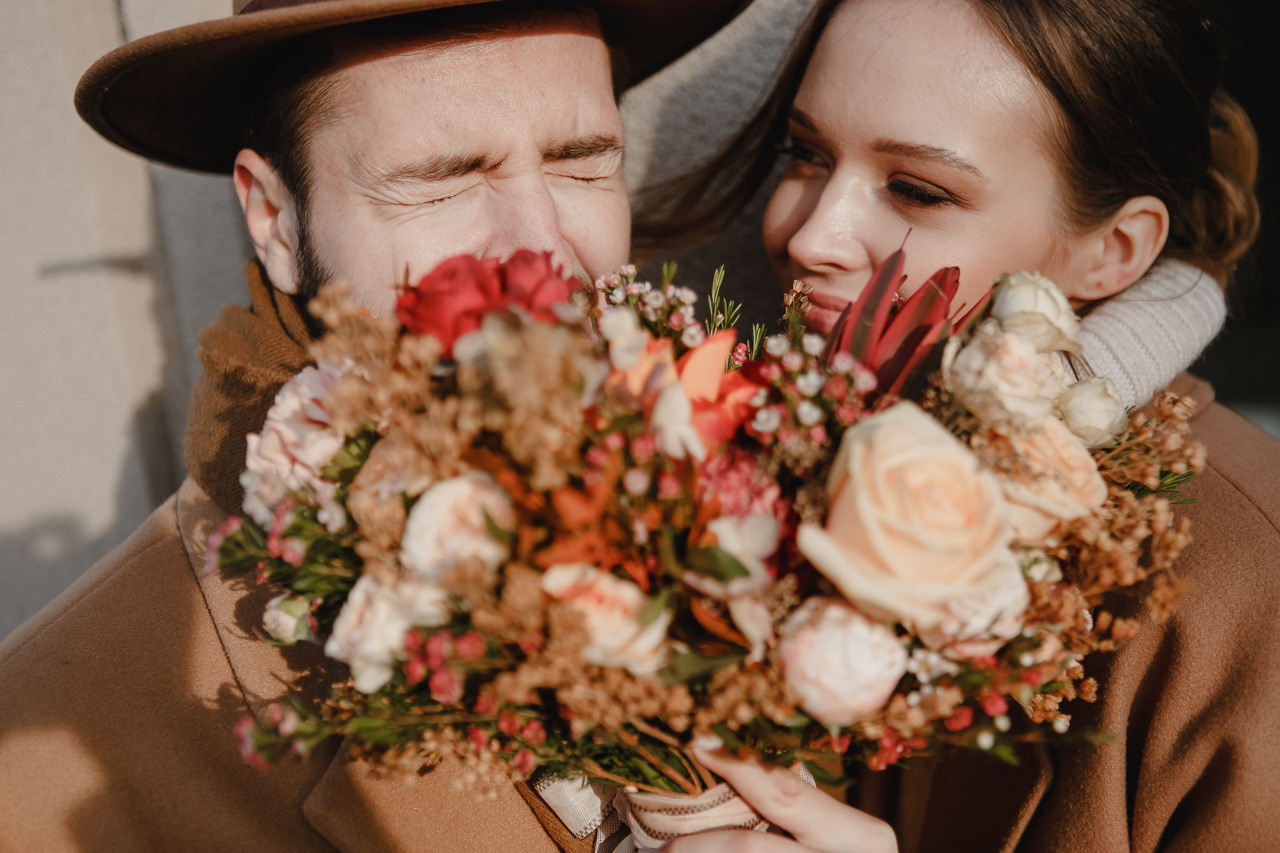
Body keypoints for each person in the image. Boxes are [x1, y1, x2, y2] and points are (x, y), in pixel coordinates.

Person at [0, 1, 763, 849]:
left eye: (582, 164)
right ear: (274, 219)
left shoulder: (754, 523)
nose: (544, 248)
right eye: (441, 178)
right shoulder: (40, 763)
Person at [638, 0, 1279, 851]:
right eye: (805, 153)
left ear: (1114, 250)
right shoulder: (730, 483)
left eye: (918, 190)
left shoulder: (1247, 595)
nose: (812, 236)